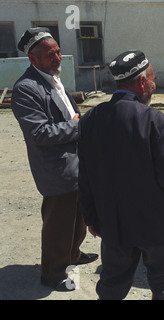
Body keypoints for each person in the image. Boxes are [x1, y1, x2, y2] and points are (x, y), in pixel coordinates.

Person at [78, 50, 164, 300]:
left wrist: (91, 217)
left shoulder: (90, 119)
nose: (154, 85)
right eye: (153, 79)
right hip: (156, 223)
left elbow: (84, 174)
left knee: (113, 282)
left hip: (113, 223)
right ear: (142, 82)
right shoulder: (158, 122)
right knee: (163, 281)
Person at [11, 27, 97, 292]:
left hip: (77, 163)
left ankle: (72, 254)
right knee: (59, 223)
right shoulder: (26, 89)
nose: (58, 57)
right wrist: (77, 126)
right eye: (51, 54)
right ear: (33, 59)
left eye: (59, 51)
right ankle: (53, 272)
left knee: (79, 216)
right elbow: (39, 132)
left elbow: (72, 113)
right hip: (57, 169)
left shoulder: (52, 78)